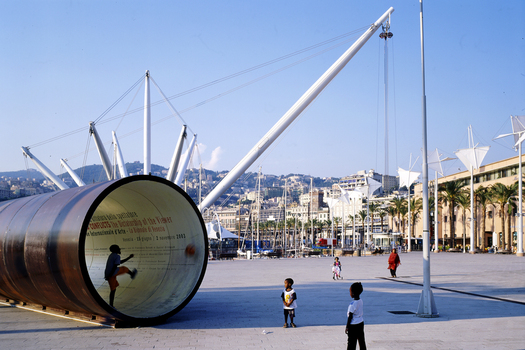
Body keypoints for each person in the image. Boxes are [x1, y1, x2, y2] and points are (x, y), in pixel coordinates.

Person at [345, 282, 366, 350]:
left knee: (351, 343)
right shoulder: (360, 301)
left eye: (350, 292)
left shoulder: (352, 304)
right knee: (361, 341)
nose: (350, 293)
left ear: (353, 293)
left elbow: (350, 317)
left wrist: (347, 327)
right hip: (360, 323)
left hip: (353, 325)